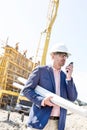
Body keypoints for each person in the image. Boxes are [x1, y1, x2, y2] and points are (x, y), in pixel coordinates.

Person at [22, 44, 78, 130]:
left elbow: (72, 97)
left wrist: (69, 78)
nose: (64, 58)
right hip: (39, 121)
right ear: (52, 56)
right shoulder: (40, 70)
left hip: (57, 124)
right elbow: (26, 90)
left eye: (65, 56)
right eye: (61, 55)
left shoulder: (65, 77)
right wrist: (42, 101)